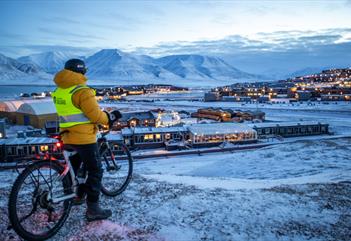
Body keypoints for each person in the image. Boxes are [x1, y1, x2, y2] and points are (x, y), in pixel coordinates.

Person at [52, 59, 121, 221]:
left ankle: (77, 195)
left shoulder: (59, 91)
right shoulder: (83, 91)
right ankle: (93, 208)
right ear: (82, 71)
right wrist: (110, 117)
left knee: (75, 170)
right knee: (95, 170)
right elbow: (95, 116)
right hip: (84, 138)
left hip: (66, 135)